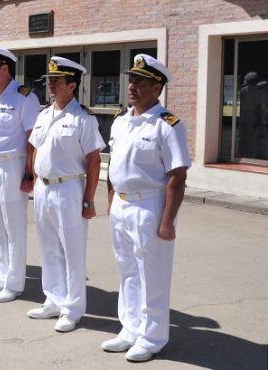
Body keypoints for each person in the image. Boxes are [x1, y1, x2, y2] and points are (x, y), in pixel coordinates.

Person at [102, 54, 190, 362]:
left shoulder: (168, 125)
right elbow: (114, 163)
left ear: (158, 87)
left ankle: (153, 337)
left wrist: (168, 221)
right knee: (127, 270)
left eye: (140, 81)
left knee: (152, 273)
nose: (132, 86)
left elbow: (177, 176)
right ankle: (130, 328)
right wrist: (112, 199)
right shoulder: (121, 120)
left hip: (150, 205)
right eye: (131, 80)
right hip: (122, 206)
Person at [27, 56, 104, 332]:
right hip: (44, 187)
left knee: (72, 250)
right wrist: (34, 179)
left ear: (72, 85)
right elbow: (34, 147)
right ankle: (53, 299)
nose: (50, 85)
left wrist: (89, 199)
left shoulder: (82, 118)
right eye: (49, 80)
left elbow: (94, 160)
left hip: (69, 188)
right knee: (48, 247)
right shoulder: (44, 115)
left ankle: (72, 309)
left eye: (56, 81)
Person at [0, 45, 41, 302]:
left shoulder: (25, 97)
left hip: (12, 165)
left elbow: (31, 139)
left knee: (13, 226)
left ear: (6, 68)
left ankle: (14, 283)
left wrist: (28, 173)